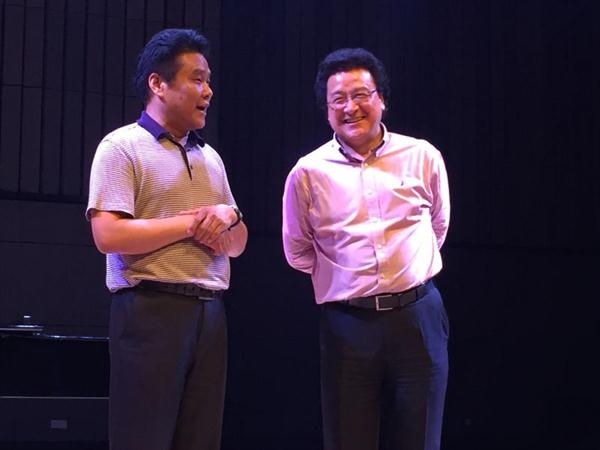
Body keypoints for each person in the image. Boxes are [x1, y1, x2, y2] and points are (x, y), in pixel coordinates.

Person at [86, 28, 247, 450]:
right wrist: (192, 224)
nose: (208, 91)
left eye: (209, 80)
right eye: (197, 79)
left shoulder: (210, 157)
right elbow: (108, 235)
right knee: (143, 437)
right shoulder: (121, 147)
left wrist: (228, 218)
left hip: (210, 311)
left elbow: (238, 243)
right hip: (151, 309)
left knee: (201, 439)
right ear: (158, 84)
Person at [282, 48, 450, 450]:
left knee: (421, 439)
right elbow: (297, 249)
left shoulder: (422, 156)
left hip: (418, 315)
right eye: (338, 99)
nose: (350, 107)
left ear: (381, 99)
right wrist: (345, 277)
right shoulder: (307, 173)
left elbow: (438, 226)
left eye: (360, 95)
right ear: (326, 111)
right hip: (348, 323)